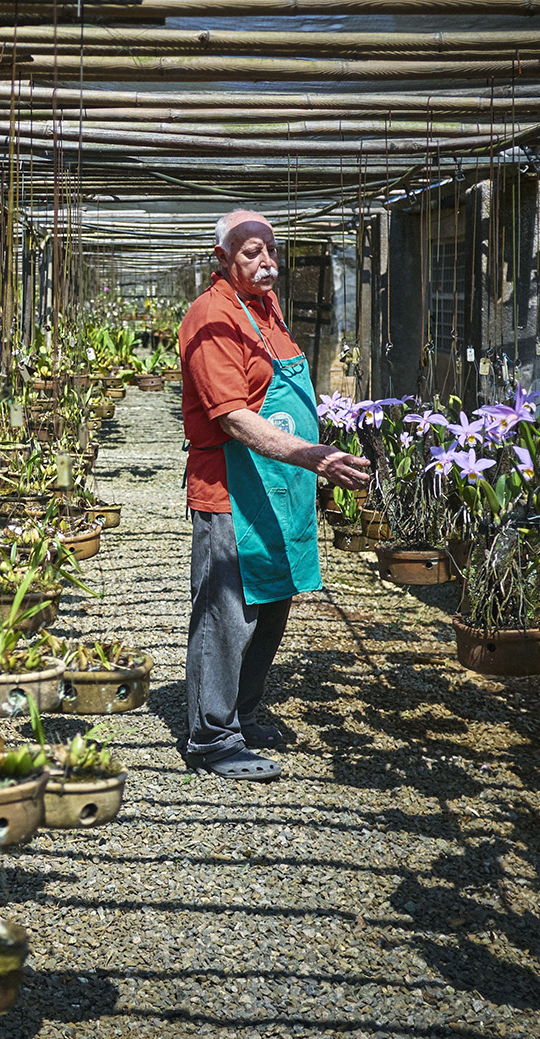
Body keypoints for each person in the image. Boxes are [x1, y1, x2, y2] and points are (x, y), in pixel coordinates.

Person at [177, 210, 370, 781]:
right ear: (223, 259)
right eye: (250, 253)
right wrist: (313, 455)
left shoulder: (265, 309)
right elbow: (234, 418)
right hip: (230, 486)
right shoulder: (212, 316)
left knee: (272, 601)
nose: (265, 262)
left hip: (277, 486)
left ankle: (242, 708)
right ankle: (212, 736)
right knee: (227, 611)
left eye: (270, 251)